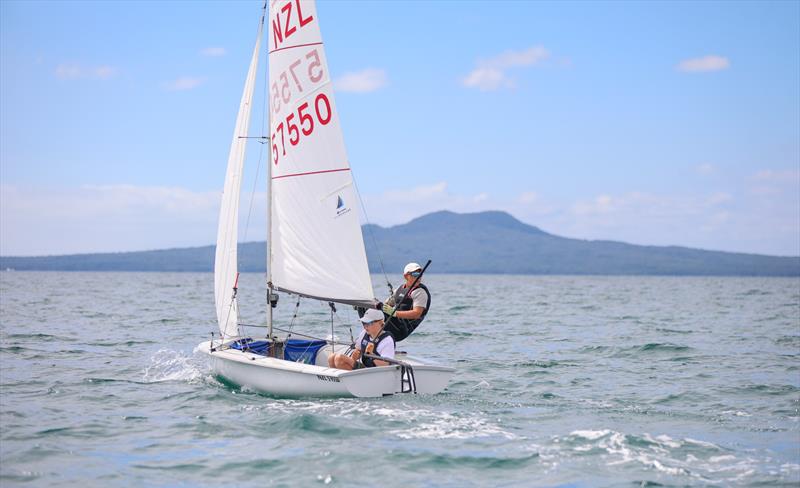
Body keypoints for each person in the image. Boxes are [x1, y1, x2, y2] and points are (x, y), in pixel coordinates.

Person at [378, 262, 431, 342]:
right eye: (415, 274)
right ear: (406, 276)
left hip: (401, 330)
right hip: (394, 322)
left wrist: (394, 313)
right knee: (368, 308)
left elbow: (417, 314)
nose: (419, 277)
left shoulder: (420, 292)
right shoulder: (400, 289)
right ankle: (370, 340)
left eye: (420, 274)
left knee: (378, 312)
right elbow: (387, 304)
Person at [327, 308, 395, 370]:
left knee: (339, 358)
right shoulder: (364, 333)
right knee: (331, 357)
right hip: (365, 369)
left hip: (376, 372)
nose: (365, 326)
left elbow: (386, 365)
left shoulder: (387, 340)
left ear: (380, 323)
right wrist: (355, 355)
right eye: (364, 323)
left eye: (369, 323)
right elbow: (356, 353)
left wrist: (371, 354)